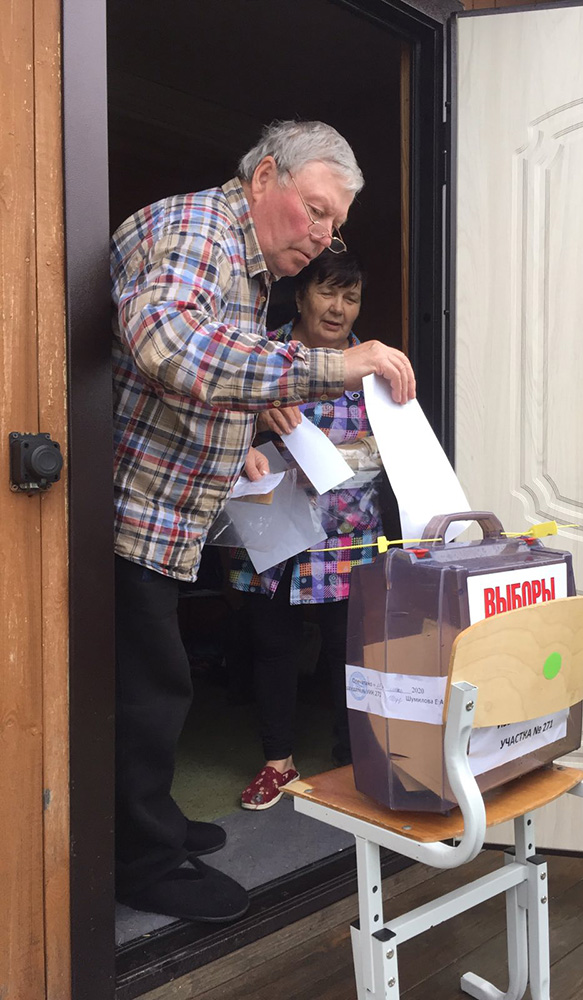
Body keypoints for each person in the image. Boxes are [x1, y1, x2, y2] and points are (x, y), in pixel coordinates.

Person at [112, 120, 415, 923]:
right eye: (315, 211)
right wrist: (333, 365)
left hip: (172, 513)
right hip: (132, 509)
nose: (320, 237)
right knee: (149, 688)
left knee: (153, 680)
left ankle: (149, 820)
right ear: (264, 177)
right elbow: (168, 344)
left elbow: (194, 376)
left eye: (334, 226)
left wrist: (241, 435)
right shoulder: (199, 230)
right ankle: (141, 860)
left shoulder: (244, 266)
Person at [229, 252, 382, 810]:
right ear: (300, 295)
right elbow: (217, 418)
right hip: (273, 523)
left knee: (350, 649)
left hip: (348, 533)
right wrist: (253, 417)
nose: (339, 308)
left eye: (351, 297)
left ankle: (354, 760)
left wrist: (341, 455)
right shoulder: (259, 354)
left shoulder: (373, 365)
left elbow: (394, 447)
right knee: (273, 644)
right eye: (327, 293)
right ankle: (278, 761)